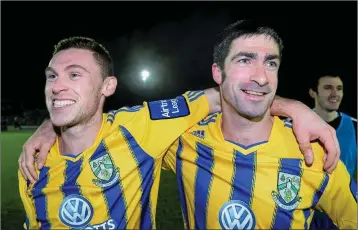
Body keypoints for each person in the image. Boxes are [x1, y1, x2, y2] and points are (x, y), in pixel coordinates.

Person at [19, 35, 341, 229]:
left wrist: (295, 108)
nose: (58, 85)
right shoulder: (32, 164)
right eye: (52, 77)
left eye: (74, 75)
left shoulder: (142, 127)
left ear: (108, 86)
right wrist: (49, 126)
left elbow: (225, 95)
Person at [159, 20, 356, 229]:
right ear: (217, 72)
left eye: (271, 63)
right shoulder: (184, 140)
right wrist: (292, 106)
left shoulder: (313, 153)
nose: (262, 78)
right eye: (245, 60)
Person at [308, 73, 357, 230]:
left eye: (339, 88)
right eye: (328, 88)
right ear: (313, 92)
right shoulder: (291, 125)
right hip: (305, 214)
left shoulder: (355, 127)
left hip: (342, 216)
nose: (335, 94)